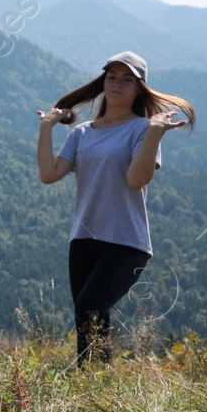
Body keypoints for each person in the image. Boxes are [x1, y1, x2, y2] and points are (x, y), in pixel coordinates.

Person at [35, 51, 194, 364]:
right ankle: (94, 387)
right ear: (103, 81)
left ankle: (94, 383)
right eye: (112, 77)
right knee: (89, 318)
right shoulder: (81, 133)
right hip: (83, 240)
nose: (117, 84)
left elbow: (136, 180)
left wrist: (154, 133)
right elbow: (49, 175)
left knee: (88, 308)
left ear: (139, 89)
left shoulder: (142, 129)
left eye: (127, 80)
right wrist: (46, 129)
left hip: (126, 244)